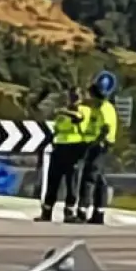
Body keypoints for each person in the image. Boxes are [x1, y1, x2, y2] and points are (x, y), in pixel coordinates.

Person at [39, 87, 89, 222]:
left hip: (75, 149)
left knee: (71, 183)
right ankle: (46, 212)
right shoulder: (62, 113)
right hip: (59, 149)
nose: (74, 99)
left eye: (76, 96)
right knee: (53, 181)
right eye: (72, 96)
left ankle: (69, 212)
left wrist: (63, 111)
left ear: (81, 98)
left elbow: (79, 118)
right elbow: (56, 129)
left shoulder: (83, 110)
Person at [78, 72, 120, 225]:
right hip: (97, 144)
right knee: (99, 179)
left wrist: (97, 142)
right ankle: (98, 213)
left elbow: (106, 129)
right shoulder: (98, 107)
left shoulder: (105, 108)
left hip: (100, 146)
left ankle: (83, 211)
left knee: (89, 178)